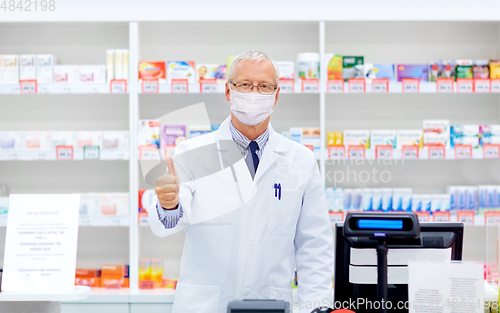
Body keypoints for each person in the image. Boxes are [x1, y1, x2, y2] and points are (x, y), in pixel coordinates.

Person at [148, 50, 334, 313]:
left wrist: (317, 309)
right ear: (228, 91)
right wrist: (169, 205)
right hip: (206, 306)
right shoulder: (192, 153)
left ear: (276, 95)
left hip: (272, 305)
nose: (254, 93)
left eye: (264, 87)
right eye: (245, 85)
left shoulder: (300, 160)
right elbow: (167, 225)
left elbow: (315, 247)